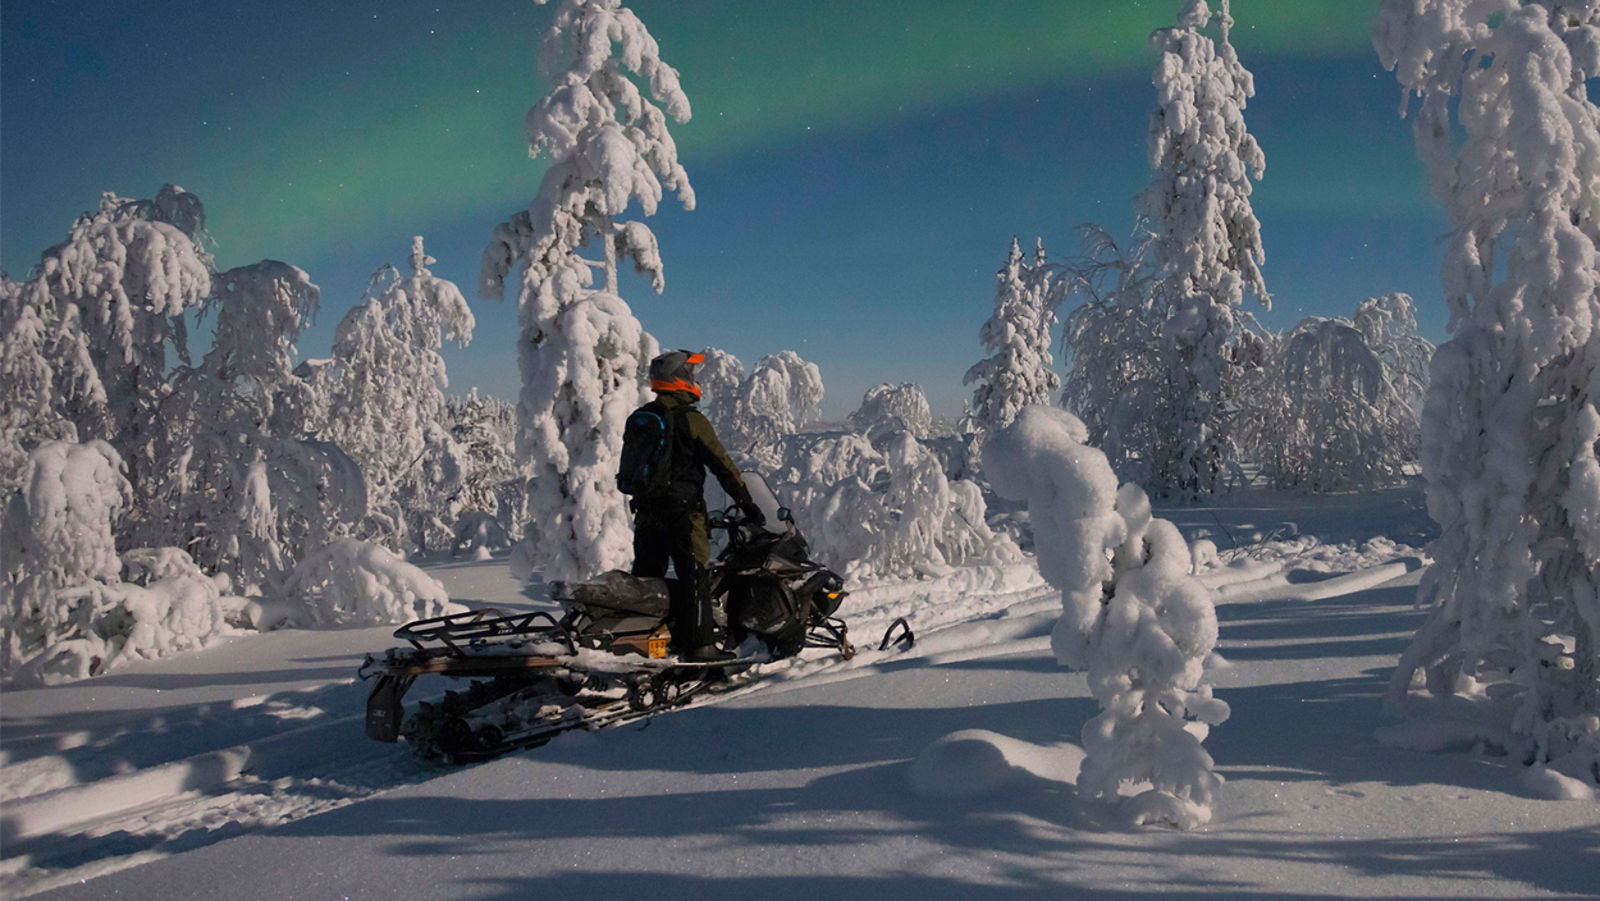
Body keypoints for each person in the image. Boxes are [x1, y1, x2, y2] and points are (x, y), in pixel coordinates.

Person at [626, 349, 765, 661]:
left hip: (646, 512)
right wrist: (748, 504)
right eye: (690, 372)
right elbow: (722, 465)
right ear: (680, 378)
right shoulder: (690, 419)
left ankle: (643, 640)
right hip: (682, 514)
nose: (695, 378)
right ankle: (701, 646)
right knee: (695, 575)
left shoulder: (644, 417)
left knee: (647, 576)